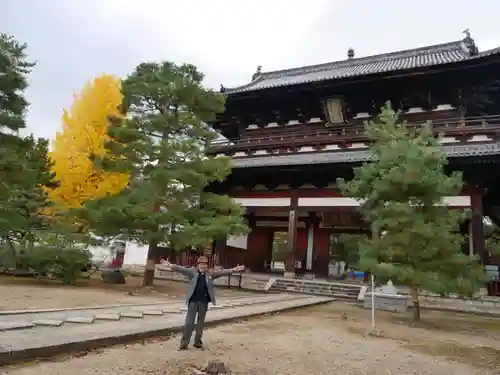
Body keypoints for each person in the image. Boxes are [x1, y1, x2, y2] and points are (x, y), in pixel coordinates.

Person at [159, 256, 245, 350]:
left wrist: (233, 269)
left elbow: (221, 272)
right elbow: (181, 269)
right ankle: (184, 343)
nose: (203, 266)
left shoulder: (210, 273)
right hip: (193, 301)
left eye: (205, 264)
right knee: (189, 323)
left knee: (200, 323)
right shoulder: (192, 272)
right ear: (198, 264)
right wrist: (170, 265)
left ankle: (197, 342)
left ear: (206, 265)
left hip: (203, 302)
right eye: (201, 264)